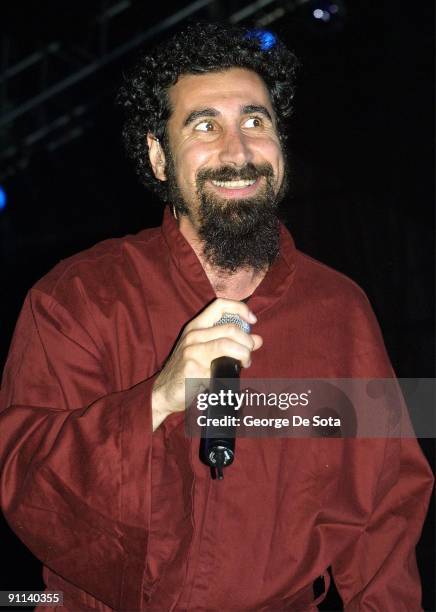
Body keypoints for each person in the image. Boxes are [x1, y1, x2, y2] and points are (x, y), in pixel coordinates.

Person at [0, 22, 433, 612]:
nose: (238, 152)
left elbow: (385, 512)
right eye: (205, 126)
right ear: (158, 156)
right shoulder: (76, 299)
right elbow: (26, 486)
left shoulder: (340, 312)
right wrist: (155, 399)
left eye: (255, 122)